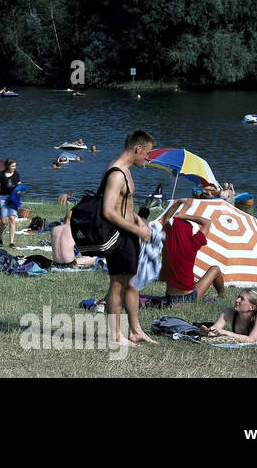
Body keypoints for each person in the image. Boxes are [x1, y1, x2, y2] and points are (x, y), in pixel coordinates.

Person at [101, 130, 158, 348]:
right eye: (147, 152)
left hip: (128, 233)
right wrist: (136, 231)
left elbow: (121, 206)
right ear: (137, 149)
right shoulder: (116, 173)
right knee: (117, 284)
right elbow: (108, 211)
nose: (148, 157)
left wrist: (137, 220)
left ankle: (135, 330)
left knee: (132, 283)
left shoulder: (126, 170)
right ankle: (116, 335)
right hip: (118, 236)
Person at [155, 198, 225, 302]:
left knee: (193, 282)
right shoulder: (192, 243)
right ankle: (222, 295)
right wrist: (184, 216)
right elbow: (207, 222)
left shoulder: (167, 240)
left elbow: (166, 217)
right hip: (188, 298)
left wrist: (178, 203)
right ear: (188, 232)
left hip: (169, 297)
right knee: (215, 269)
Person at [0, 159, 21, 247]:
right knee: (4, 222)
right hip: (3, 198)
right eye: (12, 166)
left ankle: (11, 242)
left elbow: (19, 184)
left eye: (15, 166)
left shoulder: (16, 174)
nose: (14, 168)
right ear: (7, 166)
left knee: (12, 219)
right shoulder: (1, 174)